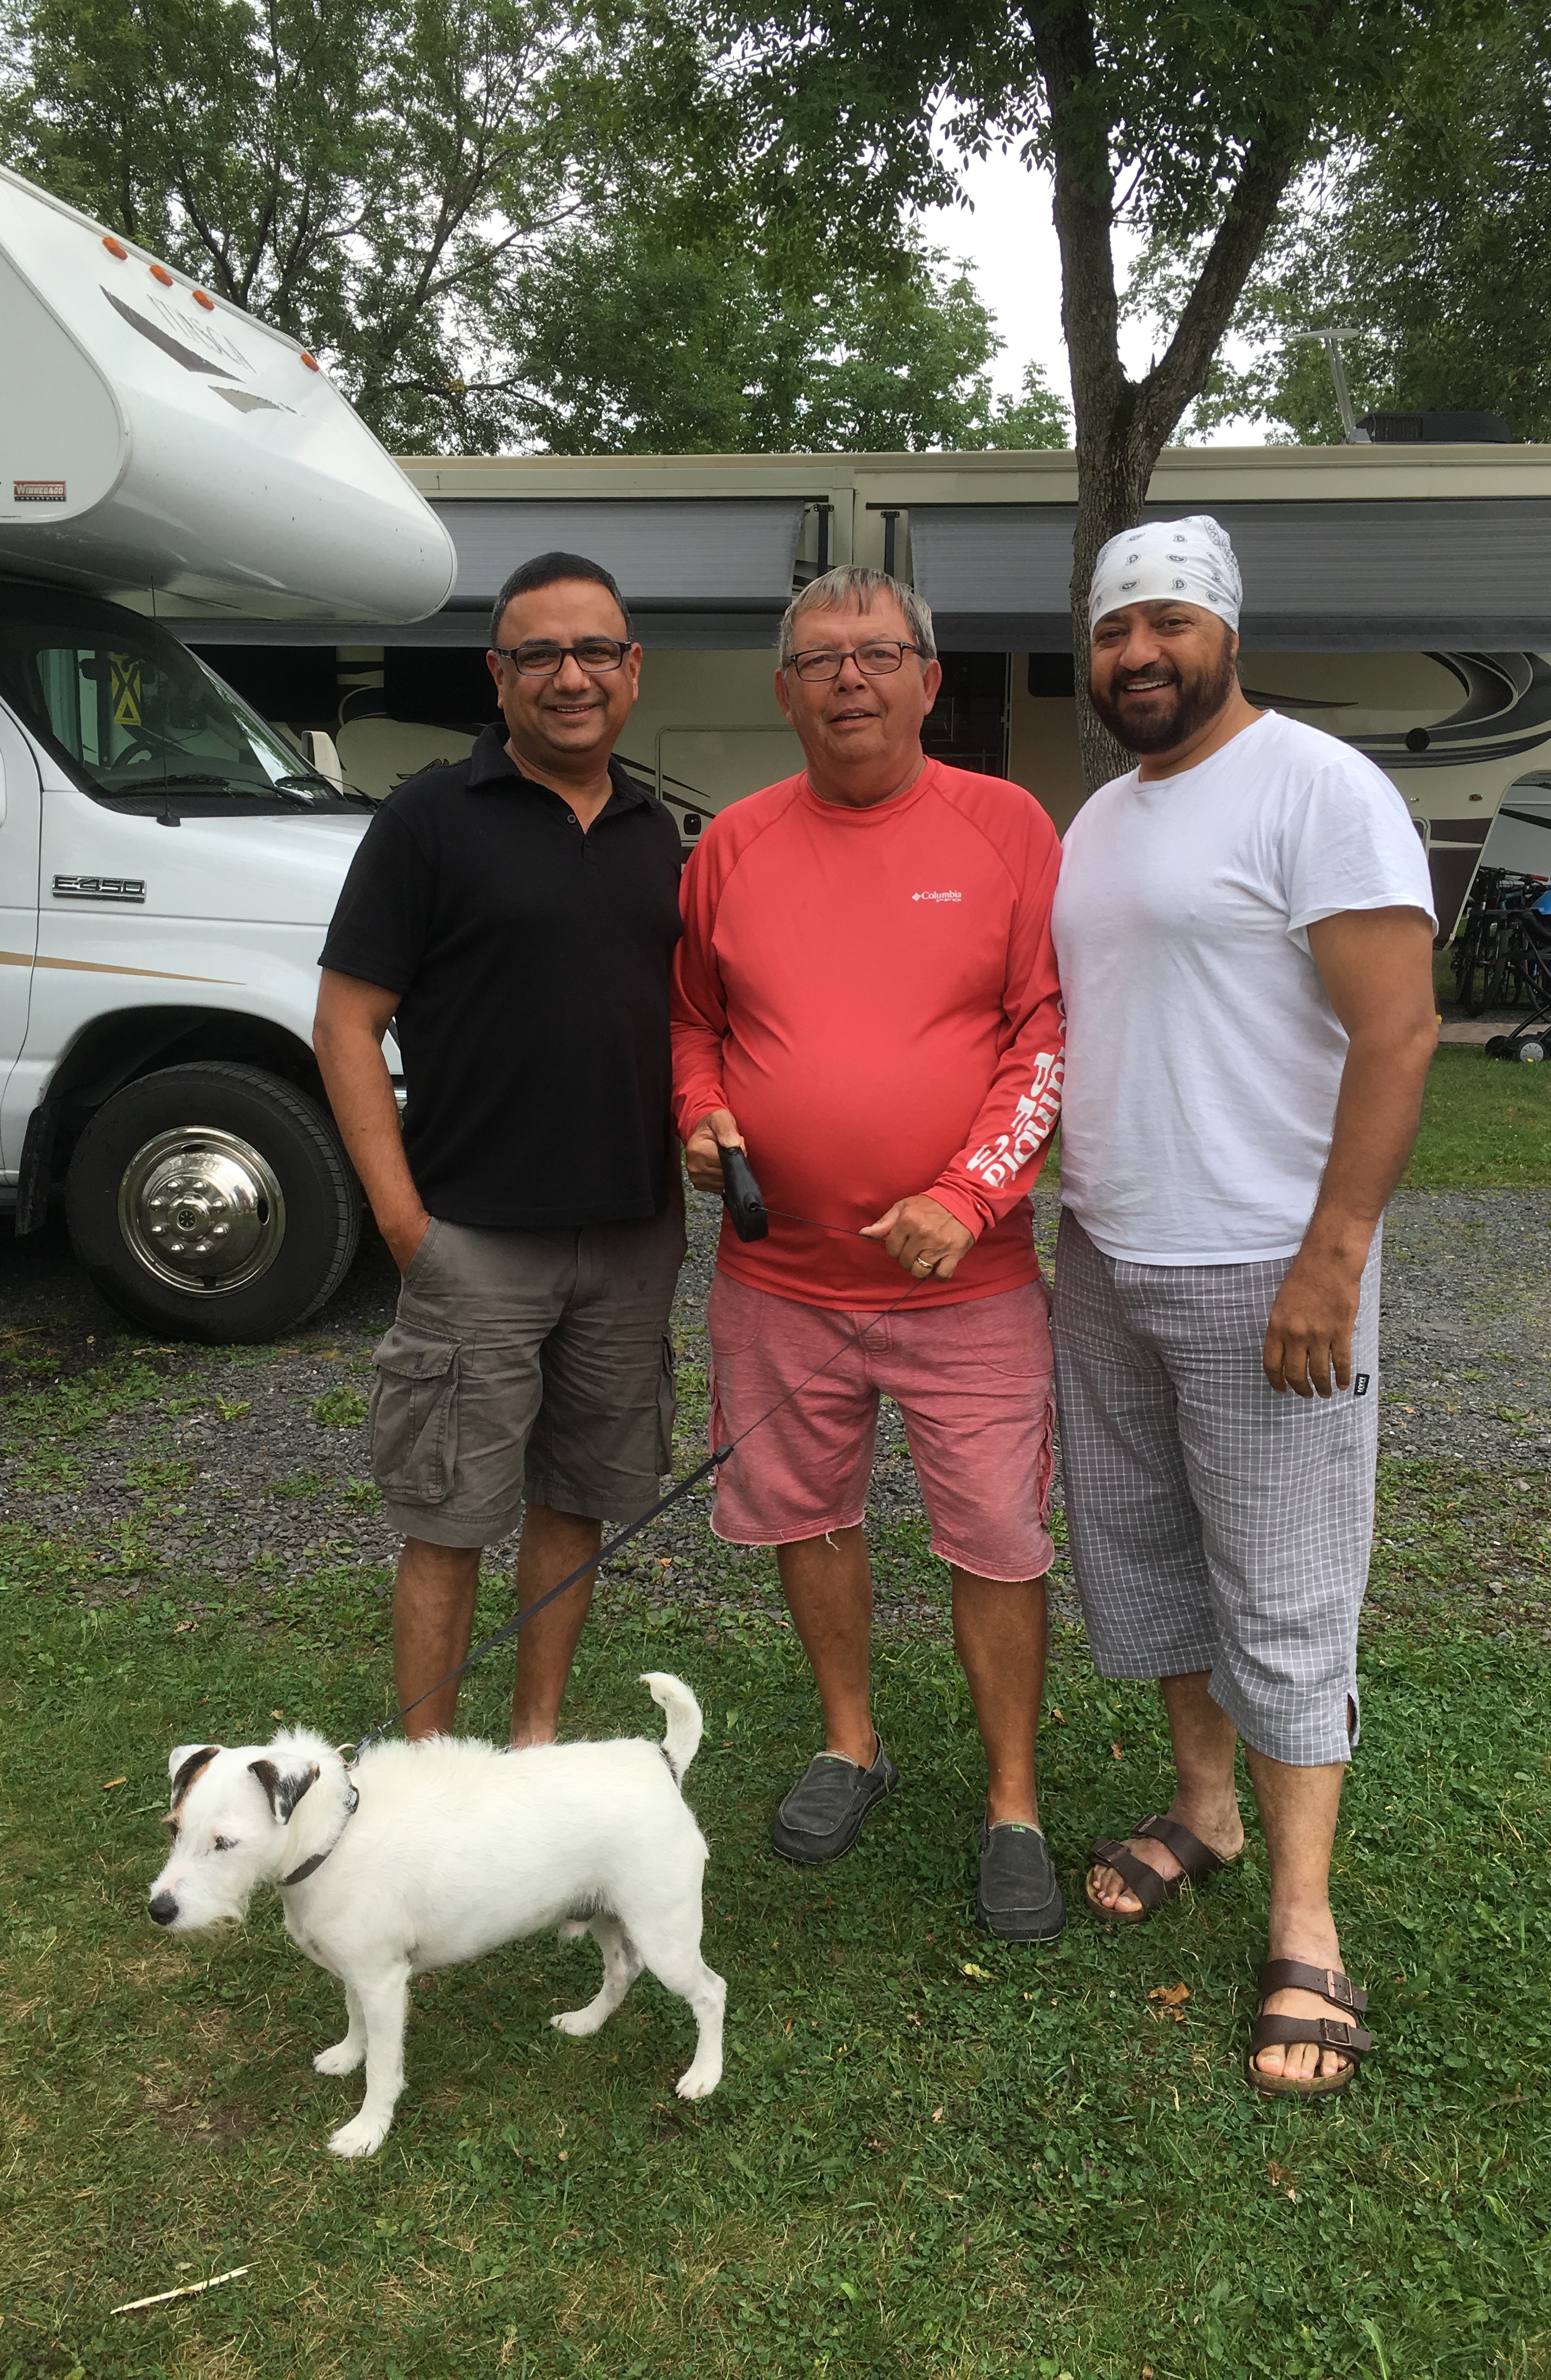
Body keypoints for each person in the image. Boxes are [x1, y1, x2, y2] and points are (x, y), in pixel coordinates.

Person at [1051, 514, 1439, 2094]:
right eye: (1113, 630)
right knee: (1148, 1556)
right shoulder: (1100, 817)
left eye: (1169, 623)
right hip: (1104, 1251)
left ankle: (1305, 1921)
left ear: (1226, 632)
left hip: (1265, 1263)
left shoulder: (1317, 788)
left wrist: (1333, 1255)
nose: (1139, 653)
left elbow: (1399, 1032)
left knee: (1283, 1587)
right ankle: (1202, 1811)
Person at [671, 564, 1068, 1940]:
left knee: (999, 1537)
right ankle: (852, 1743)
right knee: (808, 1515)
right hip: (781, 1281)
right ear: (785, 693)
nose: (851, 678)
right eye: (822, 660)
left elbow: (1046, 1031)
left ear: (929, 680)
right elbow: (695, 1022)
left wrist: (969, 1194)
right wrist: (698, 1113)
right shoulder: (733, 845)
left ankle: (1012, 1803)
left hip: (972, 1283)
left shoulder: (1007, 826)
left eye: (879, 653)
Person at [313, 552, 685, 1746]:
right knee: (450, 1519)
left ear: (632, 669)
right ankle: (427, 1774)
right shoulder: (429, 819)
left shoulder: (657, 832)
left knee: (575, 1505)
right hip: (472, 1238)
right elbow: (346, 1022)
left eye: (595, 651)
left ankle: (532, 1748)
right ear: (499, 674)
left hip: (630, 1239)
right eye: (540, 654)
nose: (571, 677)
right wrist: (401, 1222)